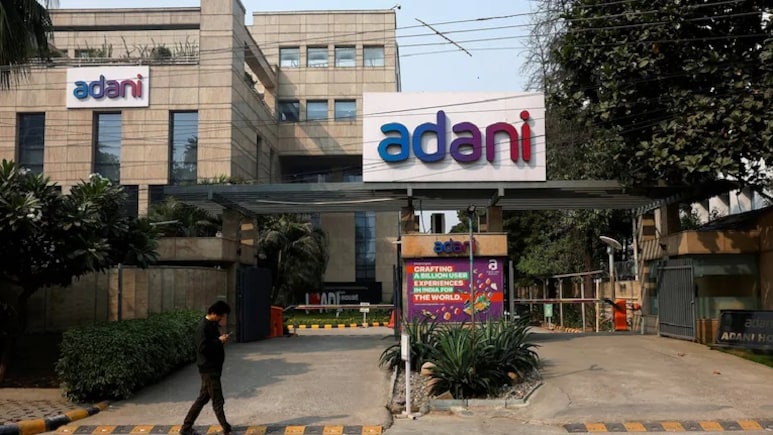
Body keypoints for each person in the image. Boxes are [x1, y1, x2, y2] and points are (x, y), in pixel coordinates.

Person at [181, 301, 233, 435]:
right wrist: (219, 341)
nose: (222, 318)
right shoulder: (203, 328)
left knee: (203, 398)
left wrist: (220, 340)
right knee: (218, 400)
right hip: (209, 369)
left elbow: (212, 343)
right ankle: (226, 428)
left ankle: (186, 427)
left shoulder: (212, 324)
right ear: (214, 313)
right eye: (221, 316)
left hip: (213, 367)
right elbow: (202, 348)